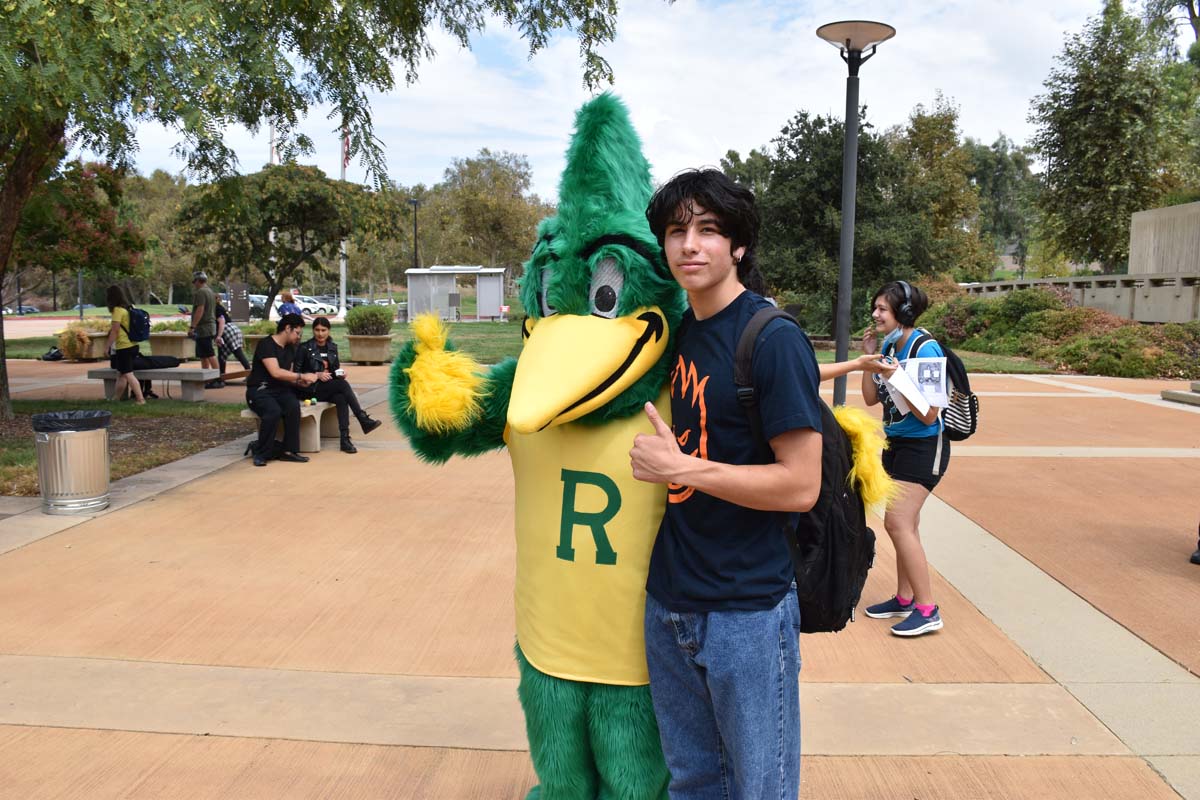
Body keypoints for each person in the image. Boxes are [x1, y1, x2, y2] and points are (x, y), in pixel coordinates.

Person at [630, 169, 823, 799]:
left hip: (746, 609)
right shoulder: (679, 333)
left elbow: (801, 486)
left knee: (758, 788)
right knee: (691, 782)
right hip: (670, 600)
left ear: (737, 246)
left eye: (708, 230)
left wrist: (682, 468)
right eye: (677, 230)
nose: (690, 244)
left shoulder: (772, 339)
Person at [861, 280, 949, 637]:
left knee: (897, 523)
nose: (875, 314)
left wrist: (896, 375)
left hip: (925, 447)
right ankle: (904, 598)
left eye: (882, 308)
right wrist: (871, 359)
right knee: (905, 525)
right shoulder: (888, 344)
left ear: (904, 312)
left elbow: (930, 414)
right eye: (876, 307)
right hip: (895, 444)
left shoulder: (925, 350)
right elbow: (870, 399)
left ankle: (928, 610)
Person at [295, 316, 382, 453]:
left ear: (328, 331)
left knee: (341, 397)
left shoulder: (332, 348)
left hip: (328, 387)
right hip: (309, 389)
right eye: (317, 330)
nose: (320, 333)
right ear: (313, 331)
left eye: (323, 330)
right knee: (342, 386)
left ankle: (345, 439)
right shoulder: (305, 348)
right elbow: (297, 374)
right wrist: (317, 375)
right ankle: (362, 418)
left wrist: (339, 374)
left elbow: (334, 371)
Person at [245, 313, 318, 467]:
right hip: (259, 390)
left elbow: (288, 375)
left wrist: (300, 381)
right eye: (297, 333)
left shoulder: (291, 348)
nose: (298, 337)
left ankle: (289, 451)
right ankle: (261, 452)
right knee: (273, 411)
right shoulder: (266, 344)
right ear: (287, 328)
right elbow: (276, 372)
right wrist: (302, 375)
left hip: (280, 390)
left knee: (292, 407)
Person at [103, 285, 145, 405]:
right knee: (121, 374)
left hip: (124, 347)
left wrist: (107, 346)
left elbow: (115, 331)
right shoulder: (127, 308)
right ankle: (116, 399)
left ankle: (141, 399)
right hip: (133, 345)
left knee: (128, 374)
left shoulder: (117, 310)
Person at [188, 271, 219, 375]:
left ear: (198, 281)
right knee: (203, 354)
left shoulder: (200, 292)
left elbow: (200, 310)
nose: (194, 284)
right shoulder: (210, 291)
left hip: (204, 327)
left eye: (194, 281)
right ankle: (206, 377)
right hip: (209, 326)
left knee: (209, 353)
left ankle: (216, 377)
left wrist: (192, 327)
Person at [215, 303, 251, 384]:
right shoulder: (219, 307)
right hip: (232, 328)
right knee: (235, 352)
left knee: (225, 355)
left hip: (226, 330)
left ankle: (222, 377)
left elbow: (221, 320)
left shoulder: (215, 308)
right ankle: (249, 373)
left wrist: (219, 336)